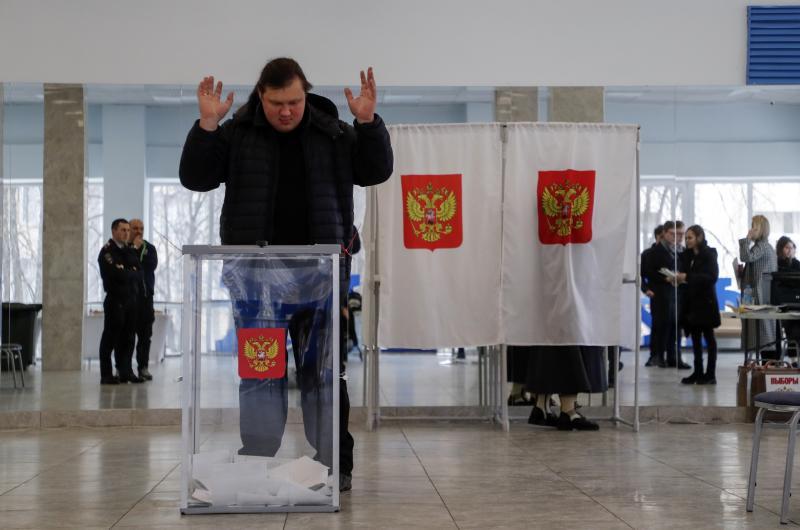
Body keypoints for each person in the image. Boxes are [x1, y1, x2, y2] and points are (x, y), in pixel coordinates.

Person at [179, 58, 393, 492]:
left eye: (294, 102)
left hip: (322, 281)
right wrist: (206, 125)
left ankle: (334, 463)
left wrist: (368, 123)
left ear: (305, 94)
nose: (286, 111)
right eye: (277, 103)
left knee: (325, 375)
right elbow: (195, 178)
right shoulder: (238, 133)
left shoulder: (333, 133)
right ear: (261, 95)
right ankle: (257, 458)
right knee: (260, 372)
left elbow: (376, 171)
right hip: (257, 284)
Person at [97, 218, 145, 384]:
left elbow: (139, 274)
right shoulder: (107, 252)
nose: (127, 233)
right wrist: (128, 272)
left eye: (127, 230)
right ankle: (106, 374)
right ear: (114, 231)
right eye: (123, 230)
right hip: (115, 301)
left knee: (129, 339)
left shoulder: (129, 250)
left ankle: (126, 372)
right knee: (110, 338)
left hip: (131, 301)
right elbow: (116, 275)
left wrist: (127, 272)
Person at [675, 225, 720, 384]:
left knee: (709, 339)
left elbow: (711, 277)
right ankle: (698, 372)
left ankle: (711, 374)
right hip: (691, 303)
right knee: (694, 339)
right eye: (686, 238)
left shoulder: (709, 254)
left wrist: (687, 277)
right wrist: (677, 279)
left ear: (699, 237)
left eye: (690, 237)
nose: (687, 241)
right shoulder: (686, 256)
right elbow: (684, 275)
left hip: (705, 303)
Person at [645, 220, 691, 369]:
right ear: (664, 233)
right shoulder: (655, 251)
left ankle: (675, 357)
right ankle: (658, 356)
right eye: (673, 234)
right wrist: (665, 278)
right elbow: (648, 272)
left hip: (678, 293)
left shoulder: (682, 251)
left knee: (676, 326)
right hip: (661, 293)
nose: (677, 237)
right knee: (661, 326)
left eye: (681, 234)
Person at [739, 215, 778, 359]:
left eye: (753, 227)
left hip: (759, 298)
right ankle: (764, 371)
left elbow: (746, 257)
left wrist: (746, 239)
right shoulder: (764, 247)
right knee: (763, 338)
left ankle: (765, 372)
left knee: (764, 339)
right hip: (760, 296)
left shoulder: (761, 246)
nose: (750, 230)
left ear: (760, 229)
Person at [129, 218, 158, 381]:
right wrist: (134, 250)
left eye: (141, 228)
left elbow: (149, 266)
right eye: (135, 228)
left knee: (145, 336)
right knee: (127, 336)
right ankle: (124, 369)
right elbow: (128, 267)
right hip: (129, 299)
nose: (139, 231)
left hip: (146, 299)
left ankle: (143, 367)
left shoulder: (150, 248)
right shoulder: (125, 248)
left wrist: (137, 258)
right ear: (129, 229)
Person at [642, 224, 664, 366]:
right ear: (656, 237)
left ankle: (668, 356)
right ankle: (654, 355)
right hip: (656, 294)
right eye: (661, 237)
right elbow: (641, 275)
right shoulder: (647, 254)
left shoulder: (672, 252)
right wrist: (646, 290)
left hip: (671, 294)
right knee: (657, 325)